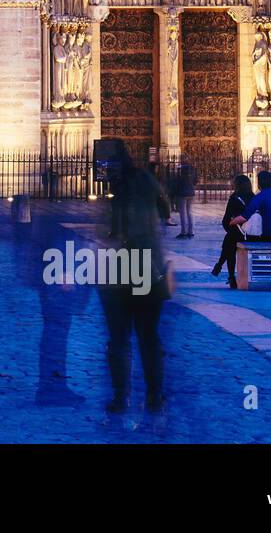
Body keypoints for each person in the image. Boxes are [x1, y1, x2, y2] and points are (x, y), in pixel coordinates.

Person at [99, 143, 169, 415]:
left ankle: (120, 397)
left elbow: (110, 231)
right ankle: (154, 396)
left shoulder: (115, 189)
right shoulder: (146, 179)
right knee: (149, 336)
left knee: (118, 338)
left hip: (120, 270)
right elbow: (165, 210)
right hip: (149, 267)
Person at [211, 174, 254, 288]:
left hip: (238, 232)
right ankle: (220, 267)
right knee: (230, 240)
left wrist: (230, 229)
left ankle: (228, 274)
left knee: (230, 242)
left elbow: (226, 219)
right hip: (252, 233)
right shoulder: (253, 197)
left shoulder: (234, 198)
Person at [230, 170, 271, 242]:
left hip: (269, 235)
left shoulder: (259, 197)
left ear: (259, 183)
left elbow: (245, 217)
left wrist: (232, 222)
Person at [171, 155, 196, 239]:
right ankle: (191, 231)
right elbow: (196, 180)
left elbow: (177, 182)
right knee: (190, 212)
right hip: (191, 192)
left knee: (183, 213)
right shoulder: (193, 168)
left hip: (182, 193)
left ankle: (183, 232)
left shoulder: (180, 169)